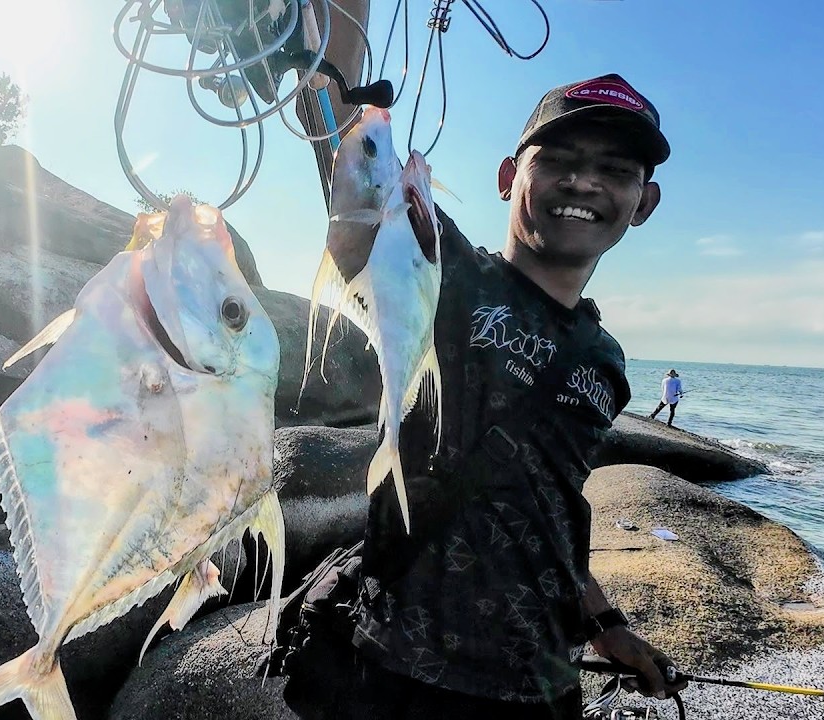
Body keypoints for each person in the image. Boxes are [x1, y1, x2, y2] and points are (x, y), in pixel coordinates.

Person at [283, 73, 688, 720]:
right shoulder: (441, 268)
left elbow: (549, 505)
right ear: (508, 177)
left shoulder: (604, 361)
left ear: (644, 203)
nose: (582, 183)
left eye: (614, 170)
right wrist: (331, 65)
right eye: (556, 160)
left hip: (542, 686)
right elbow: (344, 133)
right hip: (390, 672)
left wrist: (605, 624)